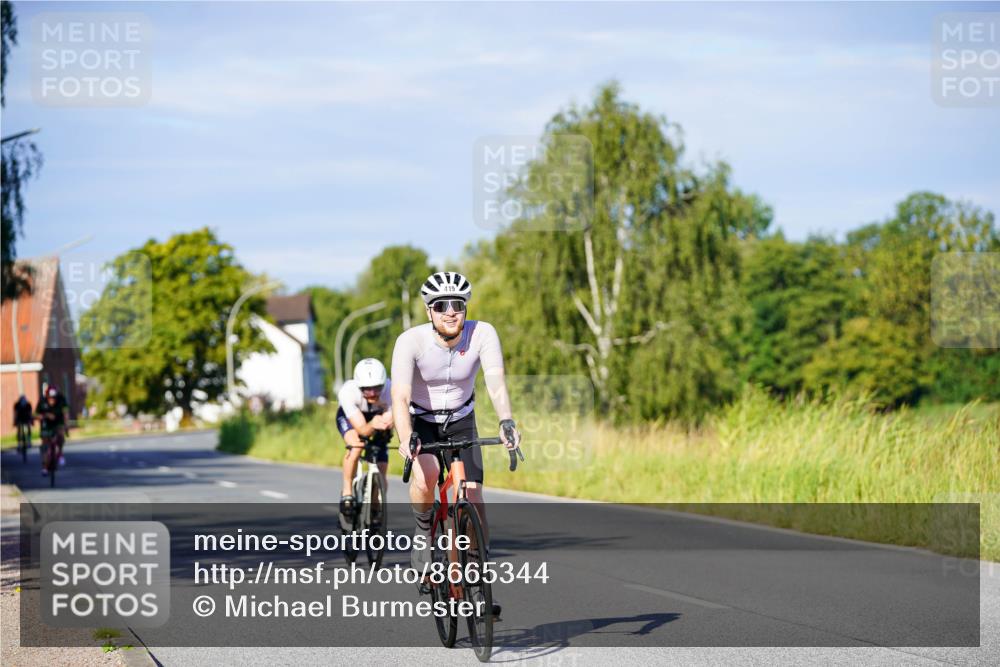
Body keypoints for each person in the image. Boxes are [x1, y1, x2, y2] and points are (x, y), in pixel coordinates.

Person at [391, 271, 522, 618]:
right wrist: (406, 439)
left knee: (473, 494)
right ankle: (422, 534)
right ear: (429, 311)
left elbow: (496, 383)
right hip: (422, 422)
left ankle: (475, 575)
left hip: (462, 418)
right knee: (427, 477)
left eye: (458, 305)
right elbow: (400, 395)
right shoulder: (410, 341)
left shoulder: (483, 333)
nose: (451, 312)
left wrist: (506, 420)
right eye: (441, 305)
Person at [336, 358, 394, 523]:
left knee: (381, 466)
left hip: (377, 418)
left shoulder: (391, 389)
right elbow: (362, 429)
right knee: (356, 446)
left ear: (384, 384)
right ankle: (347, 492)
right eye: (367, 390)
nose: (373, 394)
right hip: (351, 419)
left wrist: (391, 421)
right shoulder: (348, 392)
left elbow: (397, 417)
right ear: (359, 386)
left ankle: (376, 503)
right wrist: (375, 423)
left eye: (377, 388)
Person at [36, 385, 68, 474]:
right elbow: (36, 414)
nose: (52, 400)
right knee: (45, 445)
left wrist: (66, 425)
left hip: (58, 421)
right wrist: (44, 416)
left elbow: (65, 413)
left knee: (60, 435)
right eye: (50, 398)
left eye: (54, 398)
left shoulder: (61, 399)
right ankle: (45, 467)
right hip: (46, 423)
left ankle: (60, 453)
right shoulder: (42, 401)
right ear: (47, 396)